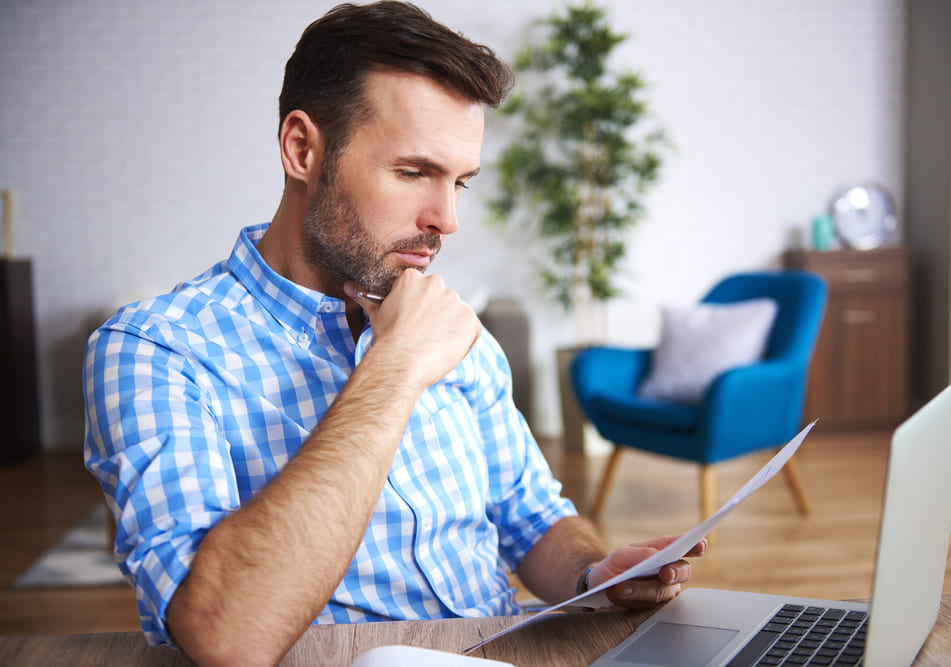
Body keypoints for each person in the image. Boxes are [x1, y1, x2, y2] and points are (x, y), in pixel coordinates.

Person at [83, 2, 706, 664]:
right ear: (302, 148)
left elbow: (529, 517)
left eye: (459, 181)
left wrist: (595, 572)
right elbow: (227, 635)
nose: (447, 218)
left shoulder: (454, 328)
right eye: (413, 172)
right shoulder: (156, 351)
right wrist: (395, 366)